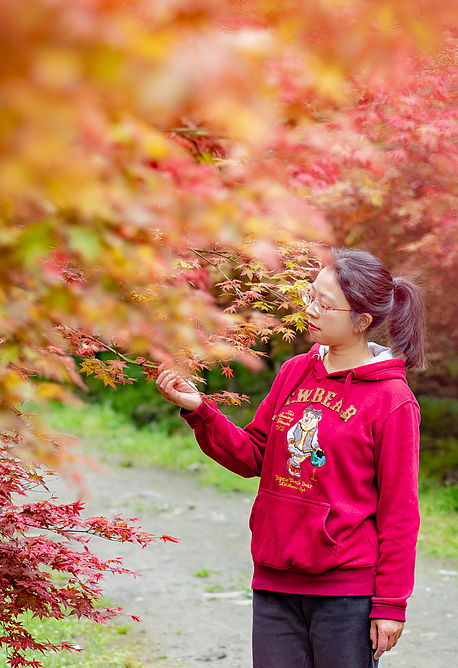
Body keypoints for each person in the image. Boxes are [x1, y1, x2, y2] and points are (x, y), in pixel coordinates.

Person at [156, 248, 425, 668]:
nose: (311, 311)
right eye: (310, 296)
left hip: (346, 591)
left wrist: (390, 604)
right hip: (275, 582)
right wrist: (201, 411)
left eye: (325, 303)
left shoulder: (392, 401)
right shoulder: (295, 372)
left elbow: (400, 510)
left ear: (362, 319)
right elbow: (255, 455)